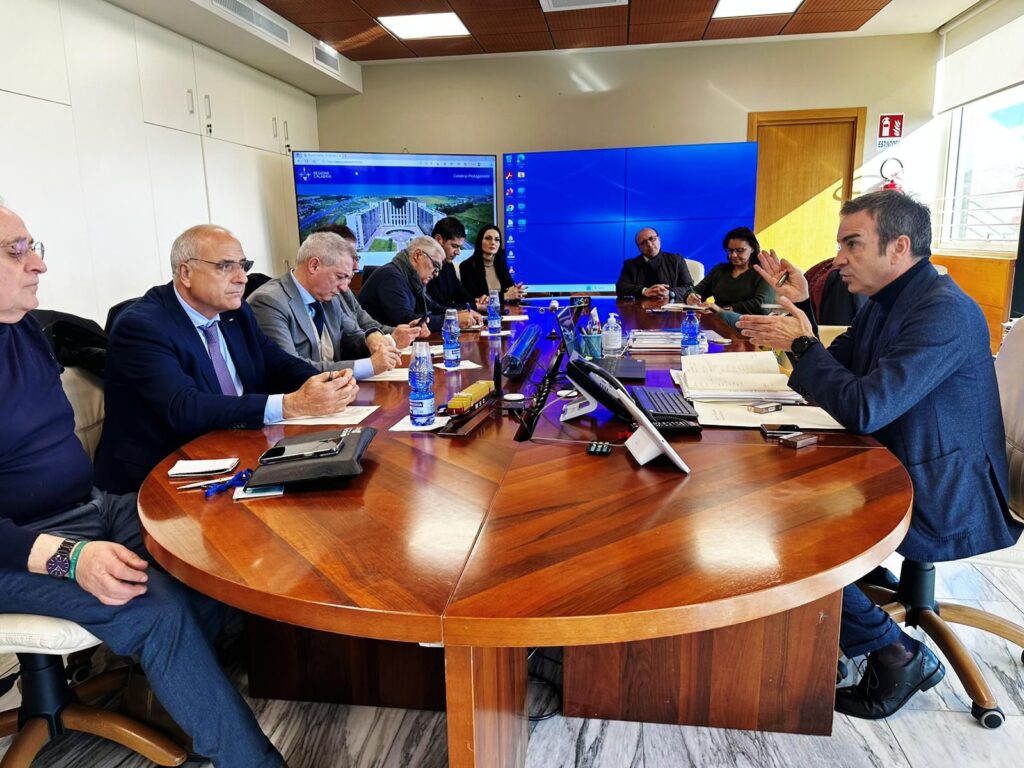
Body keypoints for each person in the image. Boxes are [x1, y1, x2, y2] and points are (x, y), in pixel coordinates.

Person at [0, 205, 285, 767]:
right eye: (16, 251)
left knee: (210, 549)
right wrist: (67, 558)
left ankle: (169, 700)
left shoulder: (24, 329)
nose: (39, 265)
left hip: (88, 506)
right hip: (20, 545)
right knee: (156, 610)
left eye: (35, 248)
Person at [735, 190, 1021, 719]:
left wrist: (800, 344)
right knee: (772, 488)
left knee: (785, 522)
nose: (838, 258)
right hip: (905, 462)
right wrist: (802, 317)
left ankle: (897, 655)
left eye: (852, 244)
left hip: (946, 492)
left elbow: (864, 408)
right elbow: (840, 371)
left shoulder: (943, 312)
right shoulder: (889, 301)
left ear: (899, 247)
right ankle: (868, 591)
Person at [95, 224, 359, 493]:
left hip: (239, 450)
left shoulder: (235, 312)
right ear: (186, 273)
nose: (242, 278)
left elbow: (275, 361)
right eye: (225, 267)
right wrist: (291, 405)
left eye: (243, 266)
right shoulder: (142, 326)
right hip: (163, 475)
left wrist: (328, 382)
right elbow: (184, 407)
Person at [247, 232, 402, 378]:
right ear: (314, 265)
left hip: (337, 390)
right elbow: (289, 369)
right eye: (340, 277)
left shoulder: (329, 296)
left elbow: (351, 337)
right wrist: (368, 366)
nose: (344, 287)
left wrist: (370, 338)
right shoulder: (269, 302)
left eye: (348, 278)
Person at [313, 223, 427, 347]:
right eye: (350, 258)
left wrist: (402, 332)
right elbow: (351, 341)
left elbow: (369, 325)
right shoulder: (324, 296)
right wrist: (390, 339)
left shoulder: (344, 291)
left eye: (357, 257)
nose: (356, 266)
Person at [358, 235, 477, 333]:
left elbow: (433, 306)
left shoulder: (410, 277)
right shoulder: (391, 276)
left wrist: (457, 313)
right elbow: (405, 320)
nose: (436, 274)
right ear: (417, 255)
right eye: (435, 266)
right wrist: (453, 320)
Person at [685, 226, 774, 326]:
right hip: (718, 321)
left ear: (752, 248)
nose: (734, 255)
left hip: (748, 324)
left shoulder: (762, 272)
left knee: (721, 317)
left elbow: (762, 305)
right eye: (730, 250)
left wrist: (723, 310)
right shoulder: (720, 270)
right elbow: (695, 291)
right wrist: (691, 297)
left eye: (740, 250)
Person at [425, 216, 487, 313]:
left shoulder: (448, 264)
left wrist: (477, 301)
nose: (458, 252)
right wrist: (475, 306)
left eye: (460, 247)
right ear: (438, 239)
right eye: (454, 246)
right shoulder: (425, 268)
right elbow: (437, 306)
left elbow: (459, 293)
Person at [615, 227, 694, 300]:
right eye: (643, 242)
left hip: (671, 307)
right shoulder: (630, 265)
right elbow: (620, 288)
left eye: (652, 239)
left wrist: (670, 293)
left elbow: (689, 286)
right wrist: (644, 291)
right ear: (639, 248)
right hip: (641, 307)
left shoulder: (676, 260)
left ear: (659, 240)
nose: (649, 244)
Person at [458, 225, 527, 304]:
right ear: (480, 241)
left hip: (504, 309)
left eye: (497, 239)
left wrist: (517, 292)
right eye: (488, 238)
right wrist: (505, 296)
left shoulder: (501, 263)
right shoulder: (466, 266)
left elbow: (510, 288)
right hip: (483, 311)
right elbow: (478, 299)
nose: (493, 242)